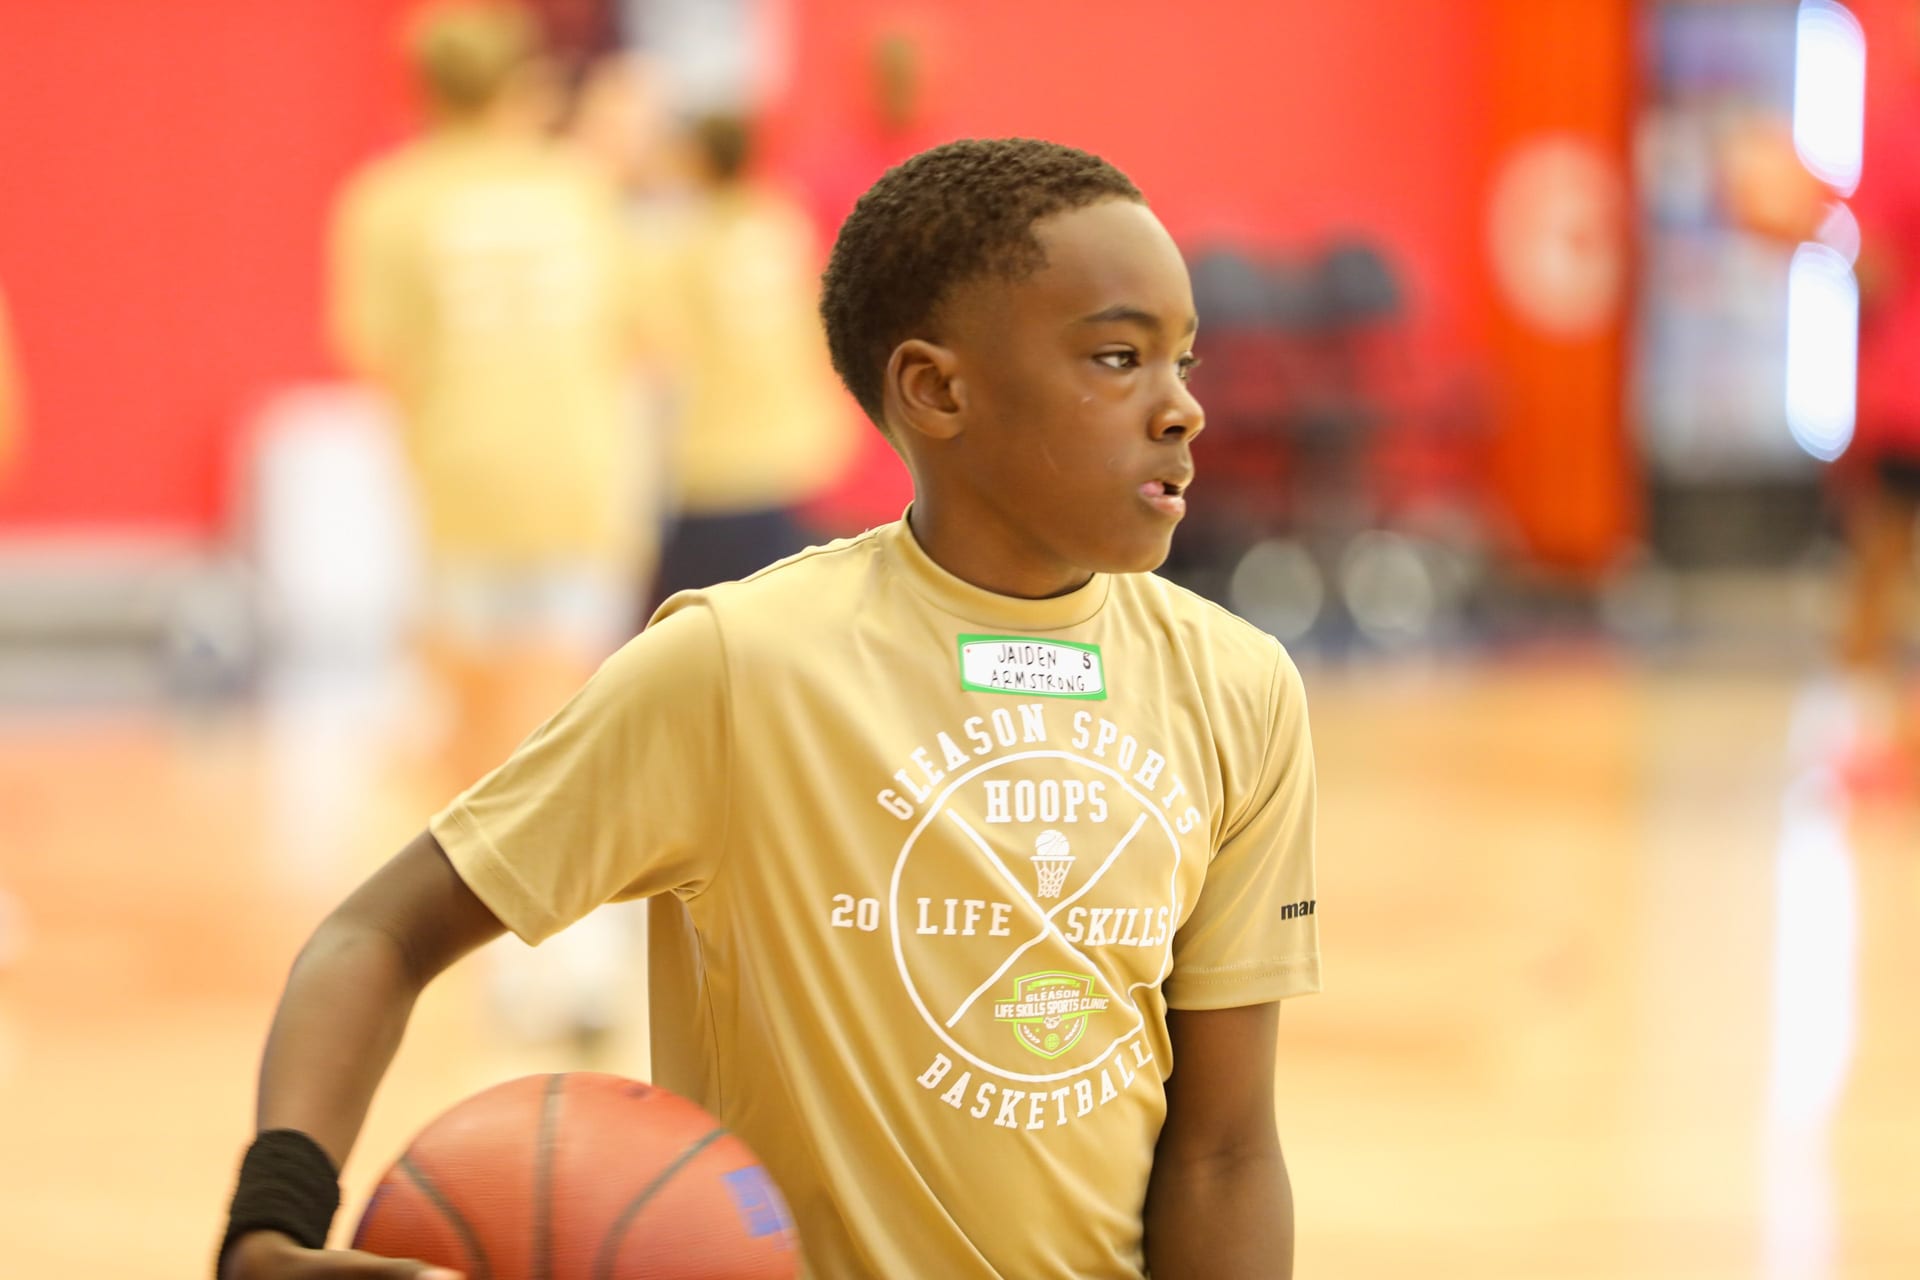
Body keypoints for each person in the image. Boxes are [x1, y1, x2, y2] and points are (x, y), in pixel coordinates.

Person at [219, 138, 1321, 1280]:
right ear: (936, 389)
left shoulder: (1236, 687)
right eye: (1117, 357)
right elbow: (376, 931)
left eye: (1184, 359)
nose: (1183, 407)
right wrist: (271, 1223)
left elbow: (1225, 1151)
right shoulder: (737, 664)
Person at [328, 0, 653, 792]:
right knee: (567, 709)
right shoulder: (582, 186)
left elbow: (375, 353)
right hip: (577, 471)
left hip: (462, 470)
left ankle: (472, 894)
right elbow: (642, 337)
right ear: (521, 83)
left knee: (470, 729)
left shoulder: (388, 198)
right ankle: (566, 897)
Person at [636, 112, 856, 609]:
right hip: (794, 453)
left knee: (702, 625)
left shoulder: (680, 241)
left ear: (696, 161)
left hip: (714, 464)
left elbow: (654, 348)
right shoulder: (782, 223)